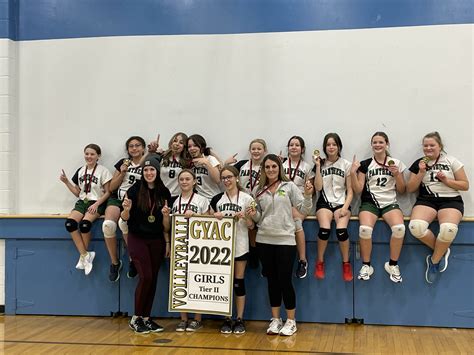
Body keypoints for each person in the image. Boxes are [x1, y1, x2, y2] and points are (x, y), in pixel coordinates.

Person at [252, 154, 313, 336]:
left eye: (274, 166)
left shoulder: (290, 187)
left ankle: (291, 321)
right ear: (263, 169)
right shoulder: (259, 190)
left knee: (285, 280)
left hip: (285, 240)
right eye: (267, 167)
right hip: (264, 240)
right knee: (272, 281)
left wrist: (308, 196)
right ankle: (276, 320)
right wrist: (252, 213)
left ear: (280, 168)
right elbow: (258, 217)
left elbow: (303, 209)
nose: (271, 170)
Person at [407, 132, 469, 284]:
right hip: (426, 200)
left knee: (448, 229)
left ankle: (434, 261)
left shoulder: (451, 160)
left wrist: (447, 180)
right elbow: (409, 188)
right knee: (416, 227)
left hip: (450, 200)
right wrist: (421, 172)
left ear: (440, 146)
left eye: (432, 145)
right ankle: (442, 250)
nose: (428, 148)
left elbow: (465, 185)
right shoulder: (419, 163)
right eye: (425, 145)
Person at [121, 157, 172, 334]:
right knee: (146, 277)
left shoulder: (164, 192)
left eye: (152, 170)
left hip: (156, 239)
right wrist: (126, 210)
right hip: (137, 238)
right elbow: (124, 218)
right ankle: (136, 318)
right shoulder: (134, 191)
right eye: (146, 170)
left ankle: (146, 318)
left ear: (157, 172)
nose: (149, 173)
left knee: (154, 279)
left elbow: (166, 227)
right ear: (142, 173)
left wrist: (166, 217)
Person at [351, 132, 406, 283]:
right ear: (371, 145)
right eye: (374, 142)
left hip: (389, 203)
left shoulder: (395, 163)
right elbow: (357, 190)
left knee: (400, 228)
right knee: (365, 230)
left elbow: (402, 190)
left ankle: (393, 265)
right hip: (370, 203)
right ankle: (366, 265)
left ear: (387, 144)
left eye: (380, 142)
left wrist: (397, 175)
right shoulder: (365, 164)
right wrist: (352, 172)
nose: (377, 145)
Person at [210, 166, 256, 334]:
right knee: (224, 283)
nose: (227, 180)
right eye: (224, 178)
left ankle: (239, 319)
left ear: (237, 178)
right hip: (221, 249)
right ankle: (226, 318)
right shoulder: (216, 200)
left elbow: (252, 226)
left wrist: (246, 218)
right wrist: (214, 217)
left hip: (241, 245)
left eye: (229, 177)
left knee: (239, 282)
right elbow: (207, 223)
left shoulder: (247, 198)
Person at [60, 143, 112, 275]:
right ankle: (84, 254)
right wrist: (66, 182)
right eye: (87, 154)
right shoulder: (81, 170)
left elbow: (108, 192)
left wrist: (96, 204)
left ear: (98, 156)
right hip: (83, 201)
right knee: (70, 224)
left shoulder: (103, 171)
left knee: (84, 225)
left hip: (96, 202)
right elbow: (78, 192)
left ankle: (84, 256)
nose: (89, 156)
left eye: (92, 154)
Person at [171, 169, 210, 332]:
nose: (184, 182)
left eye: (188, 179)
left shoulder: (202, 200)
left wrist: (195, 215)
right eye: (182, 179)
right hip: (179, 244)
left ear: (194, 181)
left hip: (198, 245)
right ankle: (183, 319)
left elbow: (210, 221)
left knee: (197, 282)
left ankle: (197, 318)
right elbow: (168, 227)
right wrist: (167, 216)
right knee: (180, 281)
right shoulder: (175, 202)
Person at [313, 133, 354, 281]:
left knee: (341, 231)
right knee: (324, 230)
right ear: (325, 147)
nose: (331, 147)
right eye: (328, 145)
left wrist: (345, 208)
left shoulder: (346, 164)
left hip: (342, 203)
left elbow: (350, 191)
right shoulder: (320, 163)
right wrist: (318, 166)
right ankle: (320, 261)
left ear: (339, 146)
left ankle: (346, 263)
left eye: (334, 144)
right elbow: (317, 188)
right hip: (324, 202)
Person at [106, 136, 146, 282]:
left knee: (124, 224)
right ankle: (115, 263)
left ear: (143, 148)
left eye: (137, 145)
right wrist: (122, 172)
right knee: (108, 225)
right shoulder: (123, 163)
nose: (134, 148)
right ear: (128, 149)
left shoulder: (147, 162)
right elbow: (111, 187)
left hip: (135, 202)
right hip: (118, 199)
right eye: (131, 146)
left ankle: (132, 259)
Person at [227, 138, 268, 269]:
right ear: (250, 150)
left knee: (259, 228)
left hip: (260, 201)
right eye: (253, 149)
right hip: (243, 200)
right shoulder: (243, 164)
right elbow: (226, 175)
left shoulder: (268, 165)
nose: (256, 151)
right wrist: (226, 163)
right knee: (247, 225)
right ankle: (251, 253)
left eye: (259, 149)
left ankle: (258, 255)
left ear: (264, 151)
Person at [281, 136, 315, 278]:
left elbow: (310, 191)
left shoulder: (307, 167)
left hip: (300, 201)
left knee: (295, 222)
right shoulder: (280, 164)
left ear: (302, 149)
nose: (294, 147)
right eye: (291, 145)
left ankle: (302, 260)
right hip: (282, 200)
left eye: (297, 145)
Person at [187, 134, 221, 200]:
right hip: (198, 200)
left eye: (195, 145)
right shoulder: (189, 162)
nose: (192, 148)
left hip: (212, 197)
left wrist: (206, 163)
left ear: (202, 147)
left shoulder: (210, 159)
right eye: (189, 146)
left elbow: (217, 180)